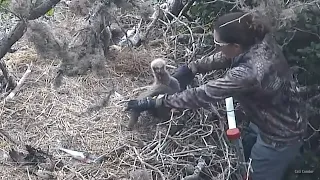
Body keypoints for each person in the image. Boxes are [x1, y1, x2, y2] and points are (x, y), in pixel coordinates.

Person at [126, 11, 307, 180]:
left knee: (256, 175)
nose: (216, 48)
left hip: (279, 137)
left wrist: (159, 102)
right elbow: (227, 57)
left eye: (218, 44)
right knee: (247, 149)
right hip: (272, 115)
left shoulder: (248, 74)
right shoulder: (258, 40)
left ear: (235, 45)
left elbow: (204, 94)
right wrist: (192, 68)